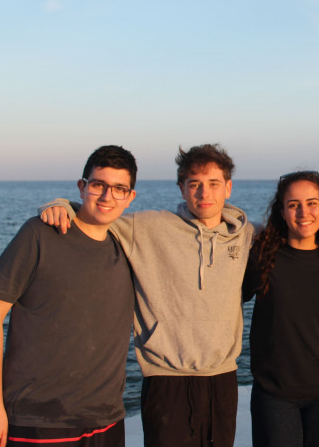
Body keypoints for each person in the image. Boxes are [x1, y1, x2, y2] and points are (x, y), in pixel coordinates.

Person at [38, 143, 255, 447]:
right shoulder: (148, 227)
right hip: (165, 379)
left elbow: (294, 236)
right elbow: (99, 215)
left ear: (228, 188)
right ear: (181, 189)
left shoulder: (245, 234)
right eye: (194, 184)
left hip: (223, 378)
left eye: (214, 184)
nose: (204, 193)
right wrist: (61, 203)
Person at [0, 145, 137, 447]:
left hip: (106, 420)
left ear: (130, 197)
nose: (107, 197)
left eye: (119, 189)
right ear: (82, 187)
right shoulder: (40, 234)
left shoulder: (128, 246)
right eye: (98, 185)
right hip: (38, 419)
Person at [242, 171, 319, 447]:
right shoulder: (262, 256)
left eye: (312, 203)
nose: (303, 213)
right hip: (274, 395)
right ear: (282, 211)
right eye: (293, 205)